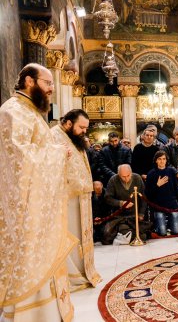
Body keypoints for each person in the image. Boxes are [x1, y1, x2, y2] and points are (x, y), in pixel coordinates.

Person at [0, 63, 76, 321]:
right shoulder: (13, 111)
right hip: (25, 205)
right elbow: (19, 159)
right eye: (48, 83)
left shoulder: (30, 111)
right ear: (30, 81)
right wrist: (57, 153)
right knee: (30, 255)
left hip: (38, 201)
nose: (52, 89)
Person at [51, 109, 102, 292]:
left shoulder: (73, 139)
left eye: (86, 128)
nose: (84, 132)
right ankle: (71, 275)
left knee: (81, 237)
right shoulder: (54, 137)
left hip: (81, 197)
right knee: (71, 237)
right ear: (69, 123)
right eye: (81, 127)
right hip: (67, 198)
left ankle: (83, 271)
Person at [104, 164, 148, 243]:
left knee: (143, 236)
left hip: (135, 216)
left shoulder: (137, 178)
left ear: (131, 173)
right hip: (120, 217)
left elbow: (144, 198)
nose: (126, 178)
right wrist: (121, 203)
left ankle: (125, 236)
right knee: (124, 230)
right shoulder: (113, 180)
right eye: (123, 177)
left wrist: (141, 214)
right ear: (118, 174)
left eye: (128, 176)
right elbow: (108, 198)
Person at [145, 151, 178, 236]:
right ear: (156, 160)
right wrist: (157, 185)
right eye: (159, 159)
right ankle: (159, 227)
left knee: (176, 231)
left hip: (172, 203)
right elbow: (148, 193)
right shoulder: (151, 173)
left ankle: (169, 225)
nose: (162, 161)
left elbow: (176, 189)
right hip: (158, 204)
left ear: (166, 160)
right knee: (162, 232)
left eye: (164, 159)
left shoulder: (171, 171)